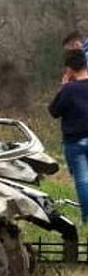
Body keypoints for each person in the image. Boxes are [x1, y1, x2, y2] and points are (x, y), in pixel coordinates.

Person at [49, 46, 88, 222]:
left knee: (83, 181)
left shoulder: (69, 89)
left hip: (75, 141)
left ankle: (87, 217)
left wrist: (63, 87)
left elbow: (54, 111)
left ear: (69, 69)